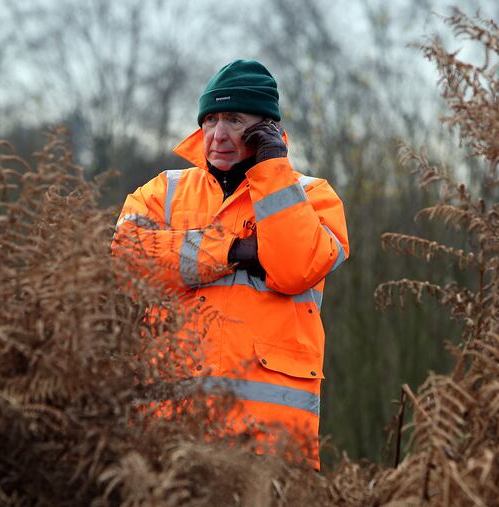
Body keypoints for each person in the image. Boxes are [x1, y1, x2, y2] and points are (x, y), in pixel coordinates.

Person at [112, 59, 348, 469]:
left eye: (234, 120)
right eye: (210, 120)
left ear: (266, 130)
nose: (217, 135)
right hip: (166, 436)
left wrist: (272, 166)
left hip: (270, 444)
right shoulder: (162, 192)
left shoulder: (312, 197)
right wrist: (232, 251)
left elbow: (295, 267)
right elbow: (128, 263)